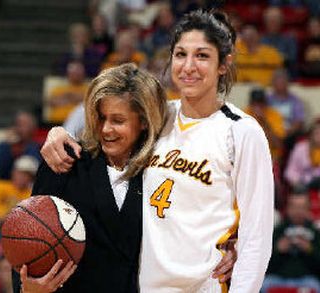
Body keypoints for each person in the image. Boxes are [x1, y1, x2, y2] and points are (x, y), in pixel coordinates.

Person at [40, 10, 274, 292]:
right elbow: (101, 126)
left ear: (224, 64)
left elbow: (257, 236)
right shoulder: (157, 118)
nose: (188, 66)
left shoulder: (241, 131)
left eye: (202, 55)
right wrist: (59, 133)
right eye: (180, 54)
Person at [13, 63, 237, 292]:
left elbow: (198, 225)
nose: (106, 129)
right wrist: (27, 289)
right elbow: (28, 239)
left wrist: (229, 247)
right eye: (100, 118)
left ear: (143, 121)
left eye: (118, 120)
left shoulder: (167, 168)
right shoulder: (64, 161)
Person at [262, 191, 320, 293]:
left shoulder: (315, 233)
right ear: (288, 208)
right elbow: (262, 266)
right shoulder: (276, 231)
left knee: (315, 285)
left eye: (302, 207)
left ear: (308, 209)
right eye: (294, 207)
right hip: (277, 279)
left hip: (307, 280)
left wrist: (309, 249)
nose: (298, 211)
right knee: (263, 284)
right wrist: (278, 249)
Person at [0, 111, 41, 180]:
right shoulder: (3, 147)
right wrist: (9, 147)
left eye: (24, 125)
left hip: (27, 188)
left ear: (32, 128)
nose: (19, 129)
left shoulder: (36, 147)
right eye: (18, 124)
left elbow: (33, 170)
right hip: (5, 185)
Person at [46, 60, 89, 125]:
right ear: (68, 74)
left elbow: (88, 100)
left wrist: (67, 97)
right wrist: (77, 98)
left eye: (78, 73)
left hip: (80, 124)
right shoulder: (59, 88)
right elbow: (51, 102)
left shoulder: (89, 89)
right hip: (56, 122)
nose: (76, 75)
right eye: (73, 73)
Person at [284, 119, 320, 190]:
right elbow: (290, 171)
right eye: (317, 133)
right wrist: (297, 183)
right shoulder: (300, 148)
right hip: (304, 184)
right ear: (311, 134)